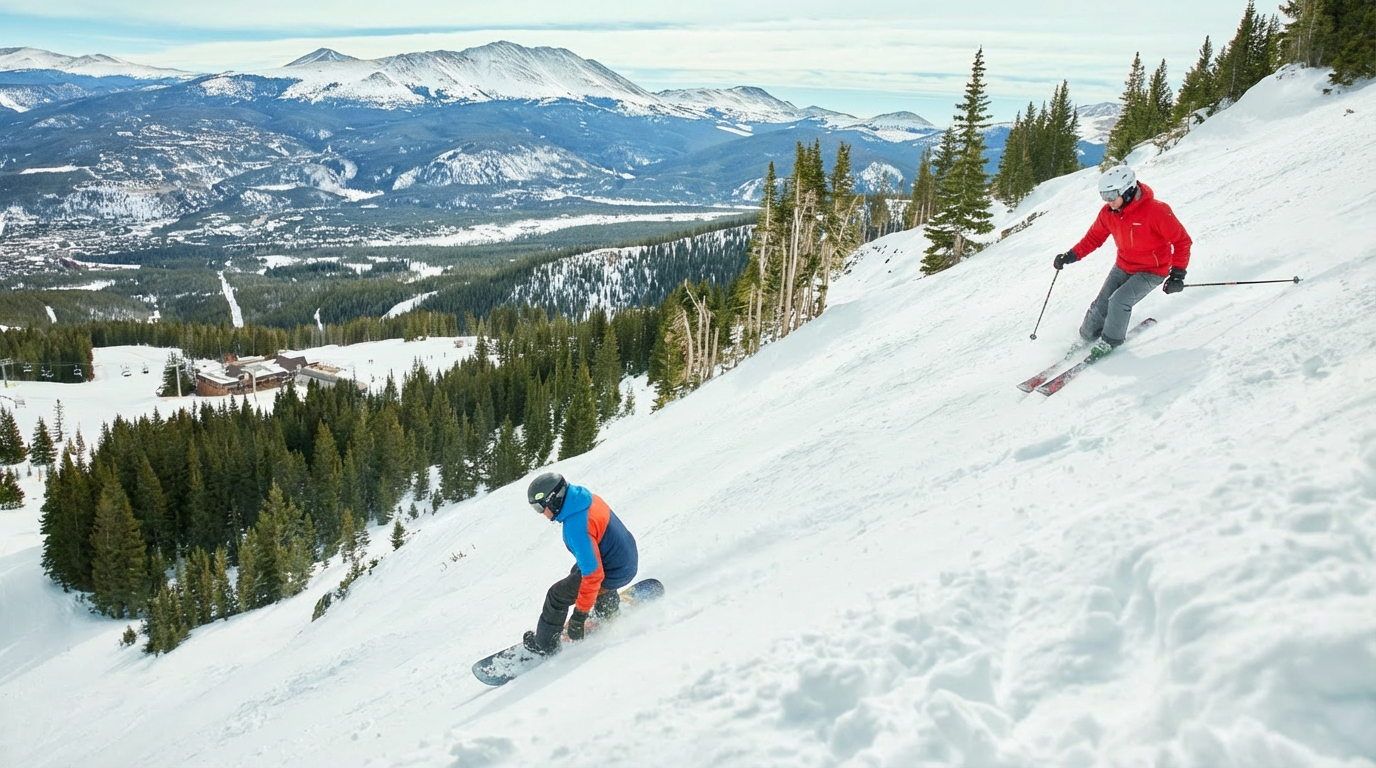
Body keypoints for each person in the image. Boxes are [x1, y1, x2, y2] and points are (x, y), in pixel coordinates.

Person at [1053, 166, 1192, 357]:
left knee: (1118, 301)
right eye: (1103, 195)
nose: (1107, 201)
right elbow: (1093, 238)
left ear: (1127, 190)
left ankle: (1110, 342)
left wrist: (1178, 274)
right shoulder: (1108, 213)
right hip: (1124, 265)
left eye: (1111, 194)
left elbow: (1182, 241)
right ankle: (1086, 337)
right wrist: (1071, 255)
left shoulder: (1157, 211)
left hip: (1152, 270)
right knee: (1101, 304)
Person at [522, 472, 638, 655]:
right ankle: (607, 610)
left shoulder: (576, 526)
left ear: (553, 499)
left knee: (556, 596)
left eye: (539, 507)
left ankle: (545, 646)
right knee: (577, 572)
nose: (541, 513)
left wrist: (579, 616)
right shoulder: (587, 499)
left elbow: (594, 576)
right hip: (626, 559)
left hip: (614, 571)